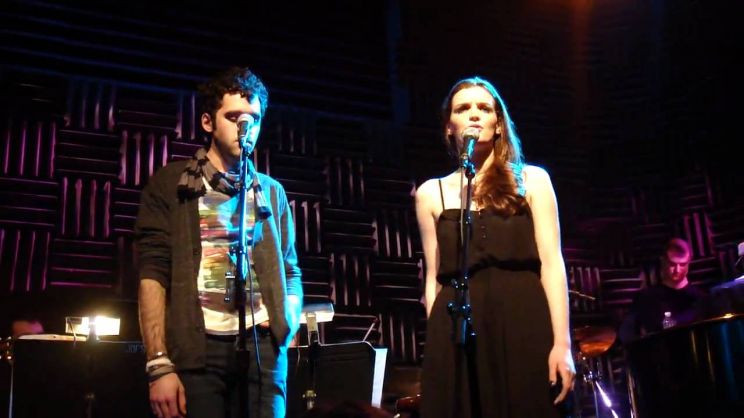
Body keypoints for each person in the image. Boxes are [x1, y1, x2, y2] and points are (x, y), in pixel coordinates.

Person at [135, 66, 303, 418]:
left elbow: (290, 270)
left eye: (254, 119)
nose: (246, 127)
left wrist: (287, 316)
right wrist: (158, 364)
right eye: (234, 117)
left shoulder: (271, 192)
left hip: (262, 347)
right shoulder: (171, 184)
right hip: (198, 348)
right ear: (208, 122)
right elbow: (153, 273)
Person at [415, 76, 575, 417]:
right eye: (463, 108)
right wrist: (440, 346)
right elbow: (434, 279)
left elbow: (551, 263)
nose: (474, 114)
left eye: (484, 108)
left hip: (524, 318)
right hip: (458, 325)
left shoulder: (532, 180)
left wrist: (562, 343)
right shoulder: (431, 192)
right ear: (449, 127)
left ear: (499, 124)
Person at [619, 238, 706, 343]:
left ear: (689, 263)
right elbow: (628, 336)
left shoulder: (700, 299)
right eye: (672, 264)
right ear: (663, 261)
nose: (677, 270)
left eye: (682, 264)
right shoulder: (645, 298)